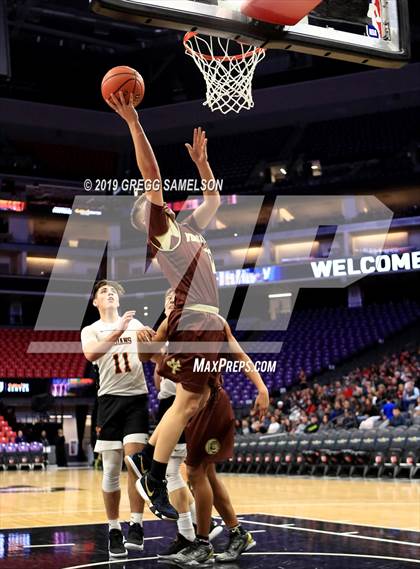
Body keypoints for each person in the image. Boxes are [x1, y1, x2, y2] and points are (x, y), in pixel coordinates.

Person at [108, 91, 223, 521]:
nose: (156, 201)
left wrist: (202, 166)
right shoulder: (161, 230)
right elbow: (151, 172)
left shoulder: (189, 228)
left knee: (192, 402)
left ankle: (149, 468)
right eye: (149, 204)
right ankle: (152, 474)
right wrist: (134, 123)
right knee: (186, 402)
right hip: (192, 320)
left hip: (204, 321)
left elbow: (211, 200)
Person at [133, 289, 268, 564]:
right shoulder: (169, 326)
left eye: (176, 297)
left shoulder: (210, 321)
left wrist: (262, 388)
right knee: (205, 475)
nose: (172, 301)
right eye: (168, 299)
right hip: (190, 408)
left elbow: (239, 354)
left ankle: (203, 542)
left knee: (196, 473)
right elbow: (148, 359)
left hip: (211, 403)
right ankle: (236, 532)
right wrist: (140, 343)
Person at [81, 279, 154, 558]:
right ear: (96, 303)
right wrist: (119, 330)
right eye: (103, 292)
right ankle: (113, 528)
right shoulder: (91, 330)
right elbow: (91, 354)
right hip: (109, 400)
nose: (109, 293)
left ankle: (136, 524)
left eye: (112, 291)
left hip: (136, 399)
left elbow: (148, 358)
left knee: (136, 466)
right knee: (111, 469)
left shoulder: (136, 326)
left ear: (119, 300)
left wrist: (153, 340)